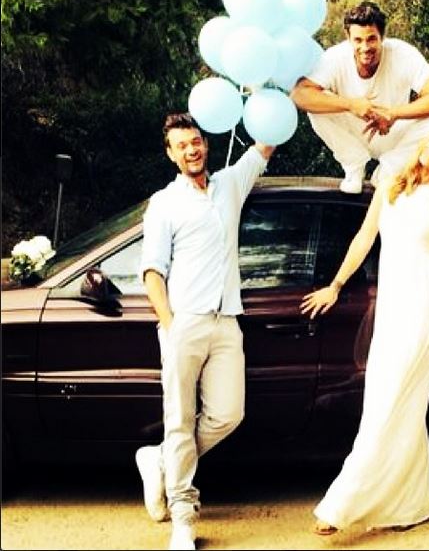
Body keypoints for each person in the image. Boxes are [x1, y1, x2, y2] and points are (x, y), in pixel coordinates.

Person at [300, 124, 429, 534]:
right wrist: (335, 285)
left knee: (393, 399)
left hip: (421, 302)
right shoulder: (391, 184)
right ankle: (409, 503)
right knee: (387, 399)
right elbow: (364, 239)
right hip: (392, 301)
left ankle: (341, 505)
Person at [136, 112, 275, 550]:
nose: (191, 149)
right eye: (182, 145)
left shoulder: (231, 184)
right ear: (170, 154)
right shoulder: (164, 203)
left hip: (227, 321)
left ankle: (160, 460)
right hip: (185, 321)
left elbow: (267, 141)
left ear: (206, 143)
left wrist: (269, 96)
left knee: (228, 414)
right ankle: (183, 517)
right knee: (179, 420)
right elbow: (152, 271)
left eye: (195, 141)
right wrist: (170, 325)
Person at [290, 1, 429, 194]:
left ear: (382, 36)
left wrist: (393, 114)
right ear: (348, 37)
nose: (365, 47)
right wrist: (351, 105)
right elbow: (299, 94)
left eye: (371, 39)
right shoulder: (335, 57)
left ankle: (386, 172)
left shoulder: (402, 53)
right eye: (358, 40)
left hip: (391, 132)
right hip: (353, 133)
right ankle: (354, 166)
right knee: (315, 104)